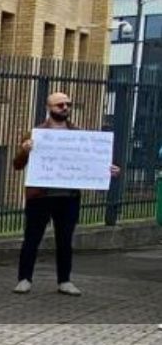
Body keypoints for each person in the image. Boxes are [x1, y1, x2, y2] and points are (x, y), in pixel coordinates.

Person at [12, 92, 119, 296]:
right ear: (49, 107)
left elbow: (90, 161)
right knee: (32, 238)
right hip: (40, 196)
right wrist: (24, 150)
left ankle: (64, 280)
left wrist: (108, 169)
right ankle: (24, 279)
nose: (65, 108)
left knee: (65, 239)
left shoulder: (78, 134)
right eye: (60, 105)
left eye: (68, 104)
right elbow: (17, 165)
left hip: (68, 197)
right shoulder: (36, 133)